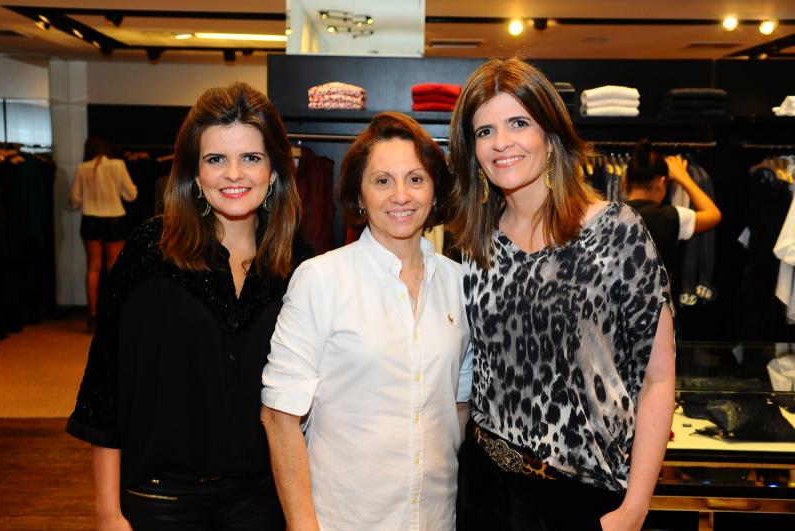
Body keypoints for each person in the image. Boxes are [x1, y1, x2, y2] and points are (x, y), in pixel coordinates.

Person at [447, 57, 676, 531]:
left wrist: (635, 507)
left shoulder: (616, 231)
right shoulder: (475, 243)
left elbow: (658, 378)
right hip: (484, 488)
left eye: (518, 123)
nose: (501, 142)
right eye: (485, 131)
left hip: (582, 494)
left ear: (550, 135)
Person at [66, 82, 307, 530]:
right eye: (216, 159)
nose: (233, 174)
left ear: (274, 170)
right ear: (195, 174)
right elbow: (105, 386)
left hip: (262, 501)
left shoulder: (299, 264)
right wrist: (107, 512)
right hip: (162, 498)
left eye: (250, 158)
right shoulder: (150, 252)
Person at [261, 112, 473, 531]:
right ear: (359, 195)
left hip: (435, 518)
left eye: (416, 179)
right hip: (343, 520)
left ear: (435, 191)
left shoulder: (460, 283)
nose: (401, 195)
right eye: (382, 181)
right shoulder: (321, 279)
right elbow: (279, 416)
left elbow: (458, 405)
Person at [624, 141, 722, 286]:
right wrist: (683, 177)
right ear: (661, 182)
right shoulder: (670, 216)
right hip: (656, 298)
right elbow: (714, 214)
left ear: (625, 181)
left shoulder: (607, 213)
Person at [70, 137, 138, 332]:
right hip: (114, 219)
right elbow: (131, 195)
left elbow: (74, 200)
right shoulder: (118, 165)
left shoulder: (83, 168)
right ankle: (115, 314)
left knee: (93, 267)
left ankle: (92, 315)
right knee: (114, 267)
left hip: (91, 220)